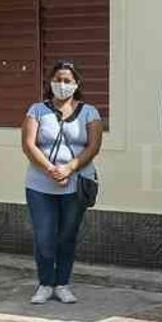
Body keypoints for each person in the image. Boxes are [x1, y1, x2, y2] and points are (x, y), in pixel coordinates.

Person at [21, 61, 103, 305]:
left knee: (67, 235)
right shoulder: (37, 110)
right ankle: (46, 283)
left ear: (76, 84)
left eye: (68, 80)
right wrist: (50, 170)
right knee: (44, 235)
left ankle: (63, 284)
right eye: (58, 79)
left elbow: (94, 146)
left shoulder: (90, 112)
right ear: (50, 82)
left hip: (76, 182)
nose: (62, 85)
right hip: (40, 184)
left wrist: (69, 168)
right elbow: (29, 144)